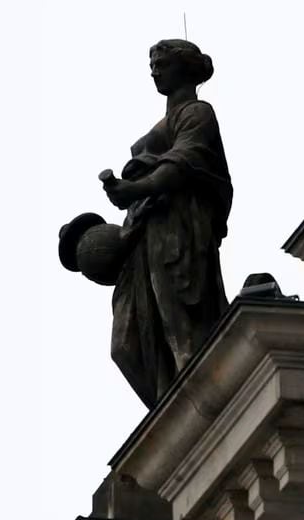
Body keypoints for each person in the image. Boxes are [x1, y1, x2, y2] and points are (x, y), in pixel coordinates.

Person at [101, 39, 233, 408]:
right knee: (125, 344)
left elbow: (182, 162)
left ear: (185, 68)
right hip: (145, 230)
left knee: (184, 327)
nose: (154, 69)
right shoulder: (164, 123)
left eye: (162, 63)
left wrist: (136, 187)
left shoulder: (197, 113)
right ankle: (168, 409)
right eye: (153, 64)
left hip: (179, 226)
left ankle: (194, 401)